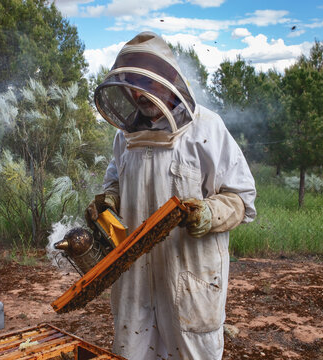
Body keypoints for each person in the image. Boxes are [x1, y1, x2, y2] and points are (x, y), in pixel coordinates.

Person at [87, 32, 257, 360]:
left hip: (190, 277)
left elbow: (241, 197)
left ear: (167, 79)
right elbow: (115, 183)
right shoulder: (125, 137)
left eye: (144, 81)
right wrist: (109, 200)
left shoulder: (207, 129)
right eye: (131, 84)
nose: (138, 92)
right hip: (135, 279)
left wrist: (210, 213)